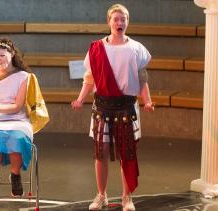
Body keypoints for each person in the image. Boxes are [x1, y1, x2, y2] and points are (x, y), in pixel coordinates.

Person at [71, 4, 155, 211]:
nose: (119, 23)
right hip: (102, 107)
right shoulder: (96, 48)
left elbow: (142, 78)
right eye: (116, 19)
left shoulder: (136, 48)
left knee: (127, 154)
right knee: (101, 153)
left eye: (123, 19)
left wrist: (147, 100)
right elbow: (89, 78)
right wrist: (81, 99)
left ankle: (127, 197)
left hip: (126, 107)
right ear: (109, 22)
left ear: (127, 22)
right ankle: (101, 195)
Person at [0, 37, 33, 198]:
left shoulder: (24, 76)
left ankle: (15, 175)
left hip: (18, 119)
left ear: (12, 53)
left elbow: (17, 106)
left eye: (2, 55)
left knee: (17, 138)